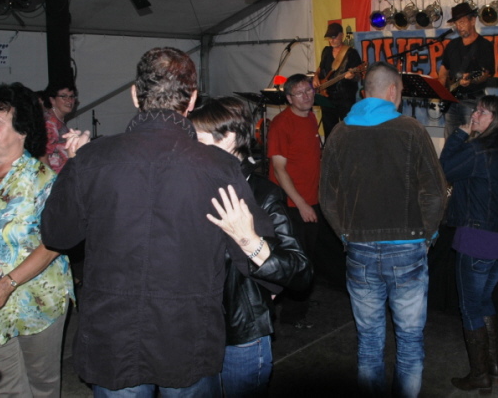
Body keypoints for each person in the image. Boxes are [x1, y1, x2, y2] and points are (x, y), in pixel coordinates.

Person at [40, 47, 275, 397]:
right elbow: (256, 257)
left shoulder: (92, 159)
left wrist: (75, 166)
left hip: (113, 339)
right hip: (186, 339)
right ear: (192, 99)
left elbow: (56, 234)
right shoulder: (220, 167)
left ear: (135, 95)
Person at [319, 62, 447, 398]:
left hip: (359, 250)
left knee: (369, 343)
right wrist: (427, 236)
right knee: (410, 342)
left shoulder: (339, 133)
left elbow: (327, 197)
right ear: (392, 91)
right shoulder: (411, 129)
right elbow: (435, 192)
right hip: (407, 250)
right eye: (401, 91)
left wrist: (346, 234)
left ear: (365, 93)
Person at [0, 82, 74, 397]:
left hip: (36, 301)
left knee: (41, 386)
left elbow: (54, 243)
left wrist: (7, 284)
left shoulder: (43, 181)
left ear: (22, 130)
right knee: (3, 388)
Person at [190, 96, 313, 397]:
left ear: (230, 137)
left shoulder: (261, 193)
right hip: (193, 329)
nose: (190, 149)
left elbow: (300, 272)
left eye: (198, 140)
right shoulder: (190, 184)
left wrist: (249, 241)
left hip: (241, 332)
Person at [439, 95, 498, 394]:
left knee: (471, 308)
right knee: (484, 301)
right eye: (476, 110)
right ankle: (494, 367)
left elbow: (443, 169)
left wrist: (459, 134)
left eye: (483, 113)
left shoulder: (478, 150)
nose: (475, 115)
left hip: (478, 240)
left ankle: (479, 375)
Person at [267, 74, 322, 328]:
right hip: (292, 205)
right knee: (296, 261)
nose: (306, 96)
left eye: (308, 90)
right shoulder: (281, 124)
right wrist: (301, 204)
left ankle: (301, 303)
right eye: (299, 93)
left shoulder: (311, 118)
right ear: (289, 98)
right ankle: (292, 316)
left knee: (308, 257)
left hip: (311, 199)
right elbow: (279, 170)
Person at [438, 2, 495, 139]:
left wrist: (472, 80)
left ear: (473, 20)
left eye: (462, 22)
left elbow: (485, 74)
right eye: (456, 23)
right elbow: (444, 70)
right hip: (451, 101)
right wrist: (442, 92)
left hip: (472, 101)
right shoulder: (452, 45)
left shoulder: (484, 45)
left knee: (470, 140)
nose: (459, 26)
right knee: (451, 140)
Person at [312, 22, 363, 137]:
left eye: (334, 37)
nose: (332, 40)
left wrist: (352, 76)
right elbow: (320, 68)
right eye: (329, 37)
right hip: (327, 97)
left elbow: (358, 76)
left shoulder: (351, 53)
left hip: (345, 98)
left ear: (342, 35)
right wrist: (316, 76)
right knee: (329, 132)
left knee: (347, 131)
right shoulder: (326, 51)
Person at [42, 82, 79, 173]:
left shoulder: (57, 121)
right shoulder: (49, 123)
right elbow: (42, 155)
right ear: (52, 100)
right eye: (64, 96)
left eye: (71, 96)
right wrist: (51, 179)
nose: (69, 100)